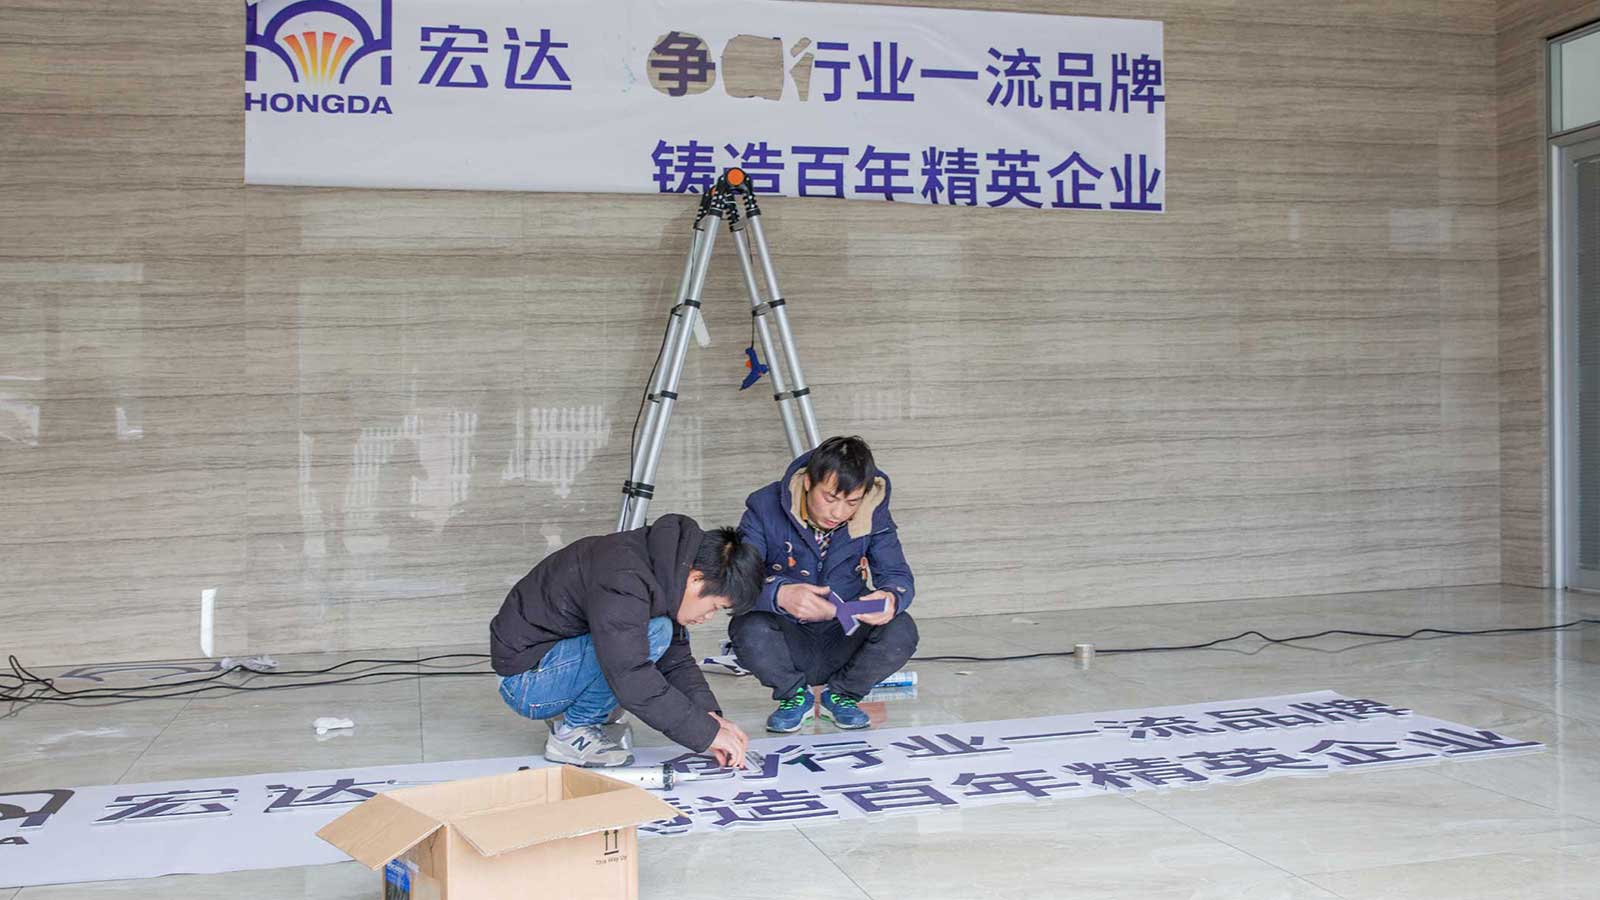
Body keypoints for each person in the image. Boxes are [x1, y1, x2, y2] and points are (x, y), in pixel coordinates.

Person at [490, 514, 760, 767]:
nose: (708, 617)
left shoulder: (663, 569)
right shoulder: (624, 579)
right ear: (696, 579)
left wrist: (709, 719)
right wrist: (705, 734)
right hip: (527, 682)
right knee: (654, 635)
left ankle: (580, 718)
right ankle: (574, 734)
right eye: (714, 606)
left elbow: (675, 660)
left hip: (550, 662)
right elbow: (629, 673)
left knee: (656, 634)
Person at [729, 436, 919, 732]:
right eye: (830, 498)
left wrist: (891, 597)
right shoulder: (764, 506)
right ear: (808, 482)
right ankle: (793, 695)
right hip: (788, 633)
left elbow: (897, 574)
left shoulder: (873, 511)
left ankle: (843, 694)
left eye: (852, 502)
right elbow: (737, 578)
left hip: (845, 631)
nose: (839, 513)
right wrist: (779, 594)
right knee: (747, 628)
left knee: (902, 629)